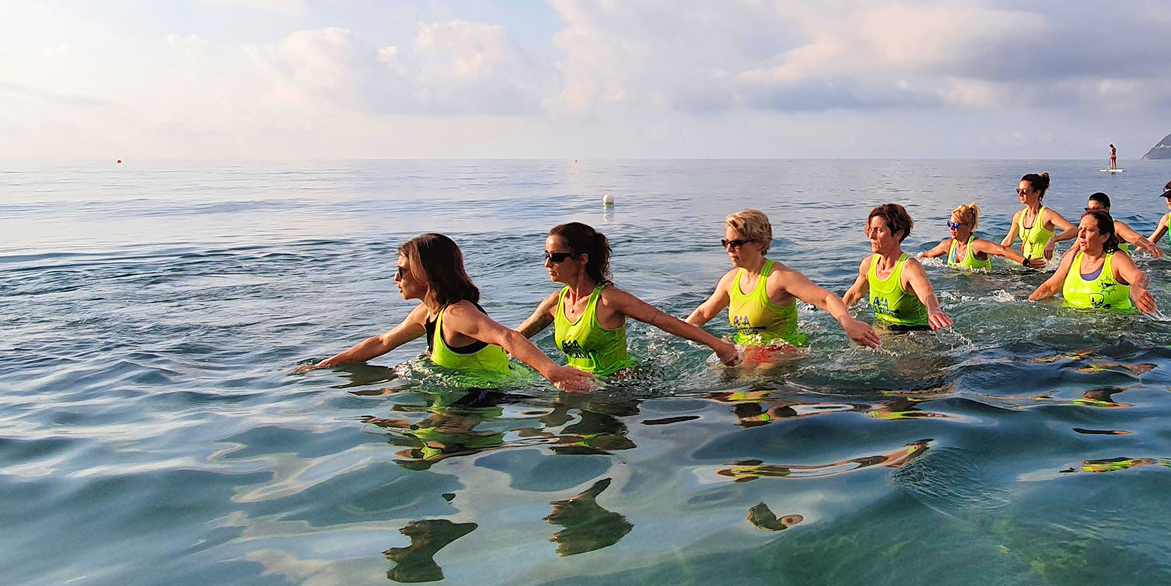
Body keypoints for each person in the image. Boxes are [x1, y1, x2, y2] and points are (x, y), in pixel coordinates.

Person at [317, 232, 591, 390]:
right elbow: (382, 342)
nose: (395, 279)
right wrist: (325, 365)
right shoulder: (426, 313)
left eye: (402, 271)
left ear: (425, 273)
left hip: (495, 395)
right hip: (466, 391)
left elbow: (507, 337)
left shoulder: (457, 314)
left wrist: (553, 371)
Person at [520, 221, 741, 374]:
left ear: (582, 259)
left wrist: (719, 346)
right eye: (546, 256)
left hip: (619, 389)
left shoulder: (609, 300)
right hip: (578, 387)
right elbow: (513, 338)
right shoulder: (556, 302)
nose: (547, 264)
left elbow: (664, 321)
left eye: (556, 257)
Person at [688, 210, 882, 355]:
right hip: (743, 353)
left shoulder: (779, 277)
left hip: (783, 354)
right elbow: (704, 313)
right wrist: (672, 331)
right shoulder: (730, 280)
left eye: (737, 243)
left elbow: (825, 298)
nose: (730, 249)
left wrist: (848, 322)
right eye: (726, 243)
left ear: (760, 243)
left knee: (753, 388)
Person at [844, 204, 955, 333]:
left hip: (915, 335)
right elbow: (853, 295)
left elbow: (927, 293)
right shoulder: (868, 264)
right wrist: (838, 315)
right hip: (883, 329)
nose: (871, 236)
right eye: (871, 229)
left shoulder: (909, 267)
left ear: (898, 234)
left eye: (879, 230)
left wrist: (934, 310)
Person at [1031, 209, 1158, 312]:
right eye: (1080, 229)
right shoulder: (1072, 257)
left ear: (1104, 237)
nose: (1081, 235)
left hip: (1115, 330)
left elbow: (1140, 277)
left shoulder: (1116, 259)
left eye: (1089, 230)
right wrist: (1029, 304)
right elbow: (1050, 287)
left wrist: (1136, 288)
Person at [919, 203, 1028, 271]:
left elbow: (1002, 250)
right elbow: (927, 255)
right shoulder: (948, 245)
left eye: (956, 225)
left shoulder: (976, 245)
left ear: (969, 227)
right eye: (949, 224)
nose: (951, 228)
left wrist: (1026, 262)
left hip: (987, 286)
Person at [1000, 172, 1076, 268]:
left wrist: (1053, 239)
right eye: (1018, 191)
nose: (1020, 194)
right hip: (1025, 266)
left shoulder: (1047, 215)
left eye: (1024, 191)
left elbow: (1073, 230)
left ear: (1037, 192)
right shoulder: (1018, 216)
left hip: (1045, 269)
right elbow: (1008, 241)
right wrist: (993, 251)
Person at [1087, 191, 1162, 257]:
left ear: (1107, 209)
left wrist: (1149, 246)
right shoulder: (1086, 227)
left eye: (1096, 209)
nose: (1092, 213)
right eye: (1089, 209)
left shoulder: (1116, 226)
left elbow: (1135, 238)